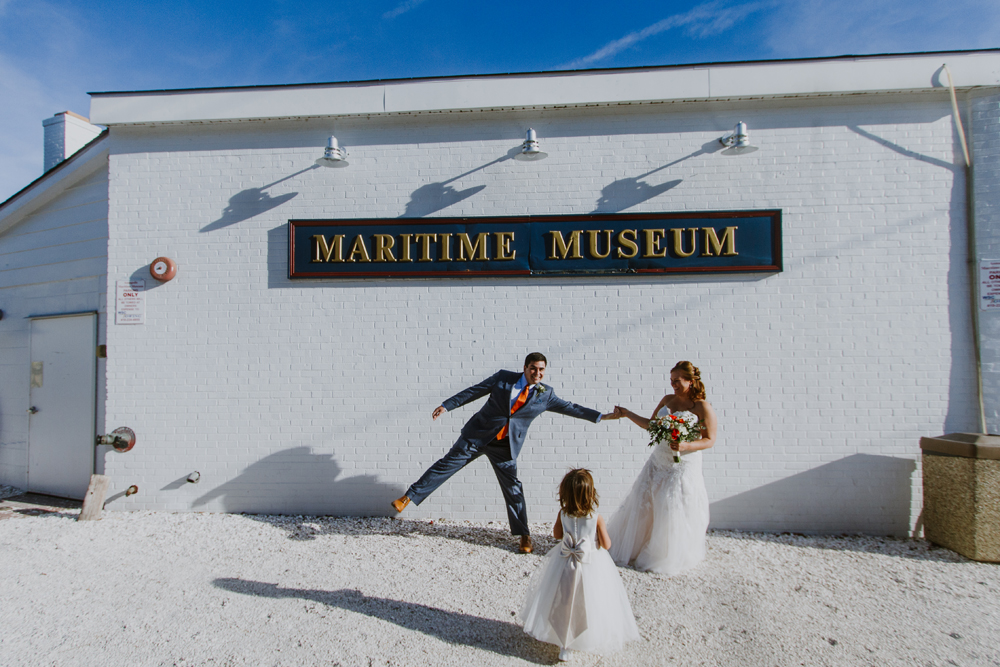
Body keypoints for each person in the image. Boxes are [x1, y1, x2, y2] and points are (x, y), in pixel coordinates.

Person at [391, 353, 616, 553]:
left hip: (505, 447)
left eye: (541, 370)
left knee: (513, 489)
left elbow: (571, 407)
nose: (538, 373)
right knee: (446, 465)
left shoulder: (545, 394)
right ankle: (408, 496)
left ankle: (524, 534)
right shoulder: (503, 378)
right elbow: (474, 391)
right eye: (533, 369)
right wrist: (447, 405)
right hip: (477, 436)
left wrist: (602, 416)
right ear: (525, 368)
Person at [606, 361, 717, 575]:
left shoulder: (703, 407)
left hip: (682, 464)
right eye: (671, 380)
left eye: (677, 381)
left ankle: (666, 553)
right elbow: (652, 425)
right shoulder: (668, 400)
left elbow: (709, 439)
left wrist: (686, 445)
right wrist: (627, 413)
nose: (673, 384)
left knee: (672, 505)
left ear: (691, 381)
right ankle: (637, 546)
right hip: (659, 460)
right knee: (645, 501)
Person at [519, 468, 640, 661]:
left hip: (564, 561)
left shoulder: (563, 514)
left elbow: (557, 535)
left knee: (563, 599)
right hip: (591, 564)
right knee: (591, 601)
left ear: (565, 493)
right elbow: (607, 544)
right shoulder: (596, 517)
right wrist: (595, 542)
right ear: (591, 493)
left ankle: (563, 643)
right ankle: (585, 637)